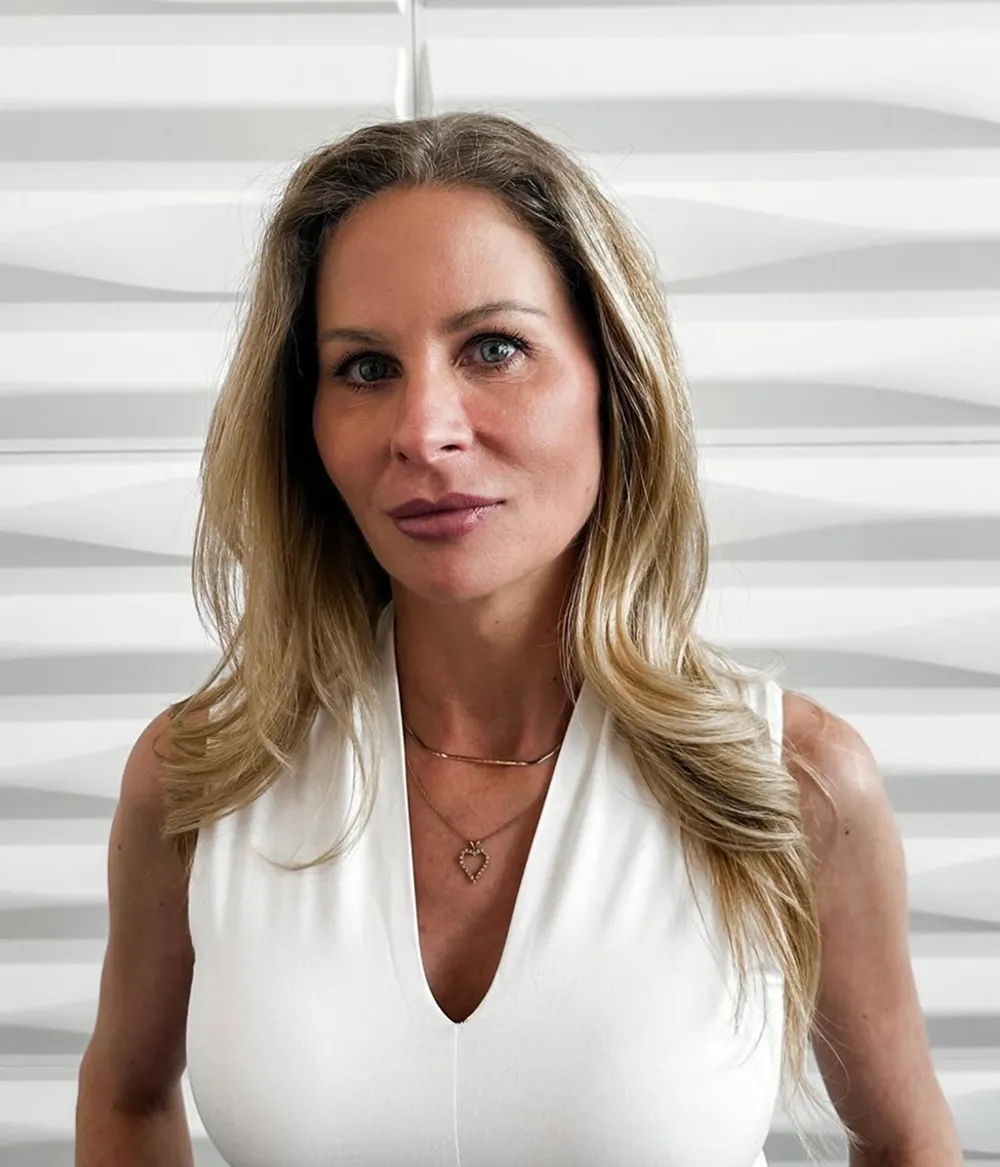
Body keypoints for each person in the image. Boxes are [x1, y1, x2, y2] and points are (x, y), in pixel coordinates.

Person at [75, 112, 962, 1167]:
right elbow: (126, 1100)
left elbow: (906, 1143)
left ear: (613, 384)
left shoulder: (790, 783)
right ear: (304, 425)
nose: (425, 429)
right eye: (364, 368)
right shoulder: (198, 778)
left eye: (493, 349)